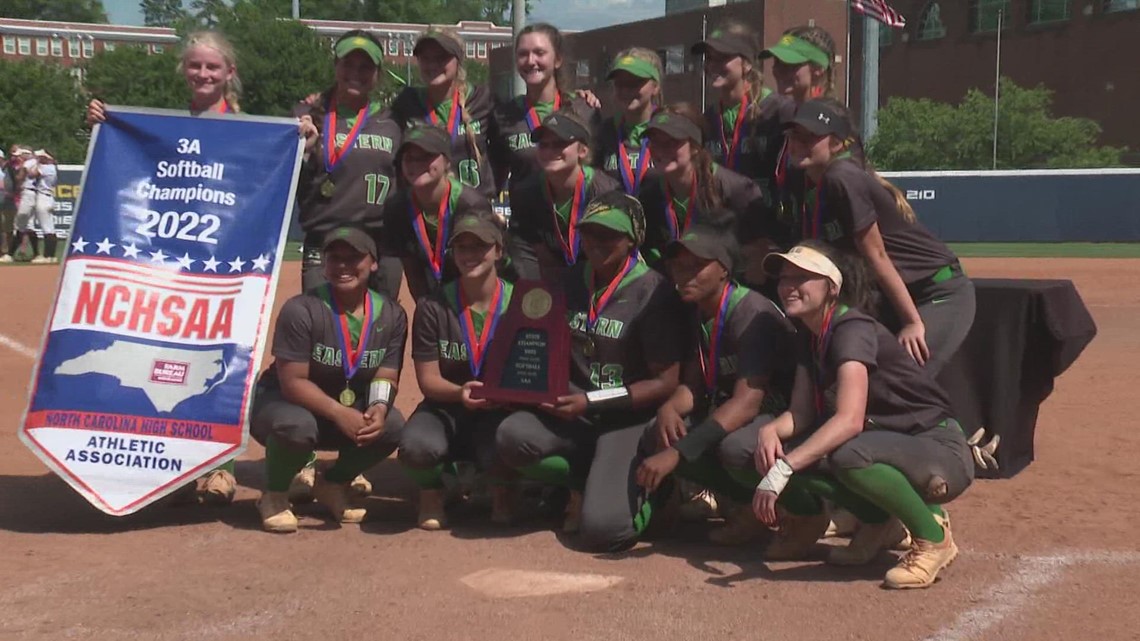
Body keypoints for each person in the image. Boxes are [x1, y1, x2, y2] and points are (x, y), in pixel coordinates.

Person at [751, 241, 973, 589]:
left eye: (803, 278)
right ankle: (878, 521)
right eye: (784, 277)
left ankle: (933, 538)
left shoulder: (850, 328)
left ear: (832, 288)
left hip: (934, 445)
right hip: (887, 442)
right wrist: (771, 431)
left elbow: (849, 420)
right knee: (785, 448)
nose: (789, 286)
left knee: (846, 454)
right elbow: (802, 411)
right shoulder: (809, 335)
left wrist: (784, 468)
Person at [86, 31, 247, 505]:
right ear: (184, 71)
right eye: (195, 66)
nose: (203, 74)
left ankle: (220, 467)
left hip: (224, 263)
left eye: (213, 68)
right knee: (160, 355)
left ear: (228, 74)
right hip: (170, 264)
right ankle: (171, 458)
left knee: (221, 356)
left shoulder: (248, 128)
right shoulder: (163, 126)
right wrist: (104, 122)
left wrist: (298, 134)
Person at [496, 191, 686, 551]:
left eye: (609, 235)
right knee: (512, 436)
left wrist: (591, 401)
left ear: (632, 240)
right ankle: (586, 483)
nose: (596, 243)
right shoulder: (569, 282)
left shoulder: (654, 292)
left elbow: (665, 382)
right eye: (589, 233)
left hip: (626, 419)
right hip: (576, 414)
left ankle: (660, 496)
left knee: (605, 532)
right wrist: (517, 386)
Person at [783, 100, 974, 375]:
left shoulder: (841, 176)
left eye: (810, 136)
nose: (798, 142)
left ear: (837, 144)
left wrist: (912, 322)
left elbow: (876, 255)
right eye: (794, 134)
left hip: (934, 292)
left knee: (901, 378)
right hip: (892, 297)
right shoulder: (811, 184)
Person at [635, 220, 795, 544]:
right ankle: (734, 505)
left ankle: (798, 512)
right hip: (742, 409)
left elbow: (747, 403)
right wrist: (670, 408)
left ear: (724, 270)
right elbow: (695, 384)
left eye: (696, 266)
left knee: (733, 447)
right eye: (677, 266)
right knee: (662, 428)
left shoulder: (751, 312)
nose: (683, 274)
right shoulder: (701, 311)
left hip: (788, 418)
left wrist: (677, 454)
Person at [251, 227, 407, 533]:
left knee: (392, 426)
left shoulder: (390, 314)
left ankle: (332, 483)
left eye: (354, 258)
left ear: (373, 263)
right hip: (284, 405)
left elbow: (386, 373)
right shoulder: (302, 309)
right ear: (325, 263)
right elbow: (293, 381)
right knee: (296, 428)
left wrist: (378, 405)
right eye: (335, 258)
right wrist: (339, 413)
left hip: (341, 409)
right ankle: (275, 493)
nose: (343, 265)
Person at [398, 210, 516, 530]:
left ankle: (500, 487)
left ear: (499, 251)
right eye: (462, 247)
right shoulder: (432, 306)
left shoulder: (522, 303)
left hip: (500, 410)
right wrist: (460, 392)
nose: (470, 254)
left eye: (480, 246)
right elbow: (428, 380)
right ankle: (433, 491)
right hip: (446, 406)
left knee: (518, 442)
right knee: (415, 447)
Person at [294, 31, 404, 299]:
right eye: (348, 64)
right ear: (336, 66)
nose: (356, 72)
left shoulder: (395, 120)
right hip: (325, 240)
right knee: (321, 328)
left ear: (378, 73)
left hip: (380, 242)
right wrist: (301, 152)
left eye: (366, 66)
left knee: (380, 330)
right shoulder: (305, 117)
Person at [638, 105, 769, 268]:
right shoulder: (650, 190)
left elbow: (758, 255)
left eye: (672, 142)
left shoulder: (737, 190)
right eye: (655, 142)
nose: (661, 150)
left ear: (694, 146)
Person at [384, 125, 498, 301]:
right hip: (431, 295)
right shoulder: (396, 208)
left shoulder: (471, 205)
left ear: (447, 161)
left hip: (474, 294)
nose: (417, 164)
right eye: (409, 158)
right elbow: (412, 269)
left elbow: (486, 266)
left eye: (426, 156)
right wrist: (425, 308)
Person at [505, 111, 621, 281]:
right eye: (543, 145)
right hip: (551, 282)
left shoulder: (606, 192)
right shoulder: (526, 193)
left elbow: (614, 255)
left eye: (559, 144)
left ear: (582, 150)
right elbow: (526, 250)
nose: (550, 151)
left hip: (600, 279)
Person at [488, 23, 603, 192]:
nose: (530, 61)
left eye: (539, 53)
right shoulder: (504, 116)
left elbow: (599, 172)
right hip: (525, 215)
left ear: (557, 59)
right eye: (523, 54)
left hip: (577, 214)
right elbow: (495, 177)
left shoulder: (584, 109)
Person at [390, 29, 496, 198]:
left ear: (458, 60)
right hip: (421, 208)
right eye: (426, 58)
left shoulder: (482, 99)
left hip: (473, 208)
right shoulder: (406, 103)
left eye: (441, 58)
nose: (432, 65)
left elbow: (503, 155)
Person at [692, 20, 791, 190]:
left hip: (765, 214)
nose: (712, 65)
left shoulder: (777, 111)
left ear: (747, 64)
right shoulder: (707, 119)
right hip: (725, 214)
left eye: (722, 57)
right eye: (709, 58)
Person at [594, 48, 663, 196]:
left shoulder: (670, 128)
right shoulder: (605, 131)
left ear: (655, 87)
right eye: (620, 83)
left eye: (635, 82)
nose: (625, 89)